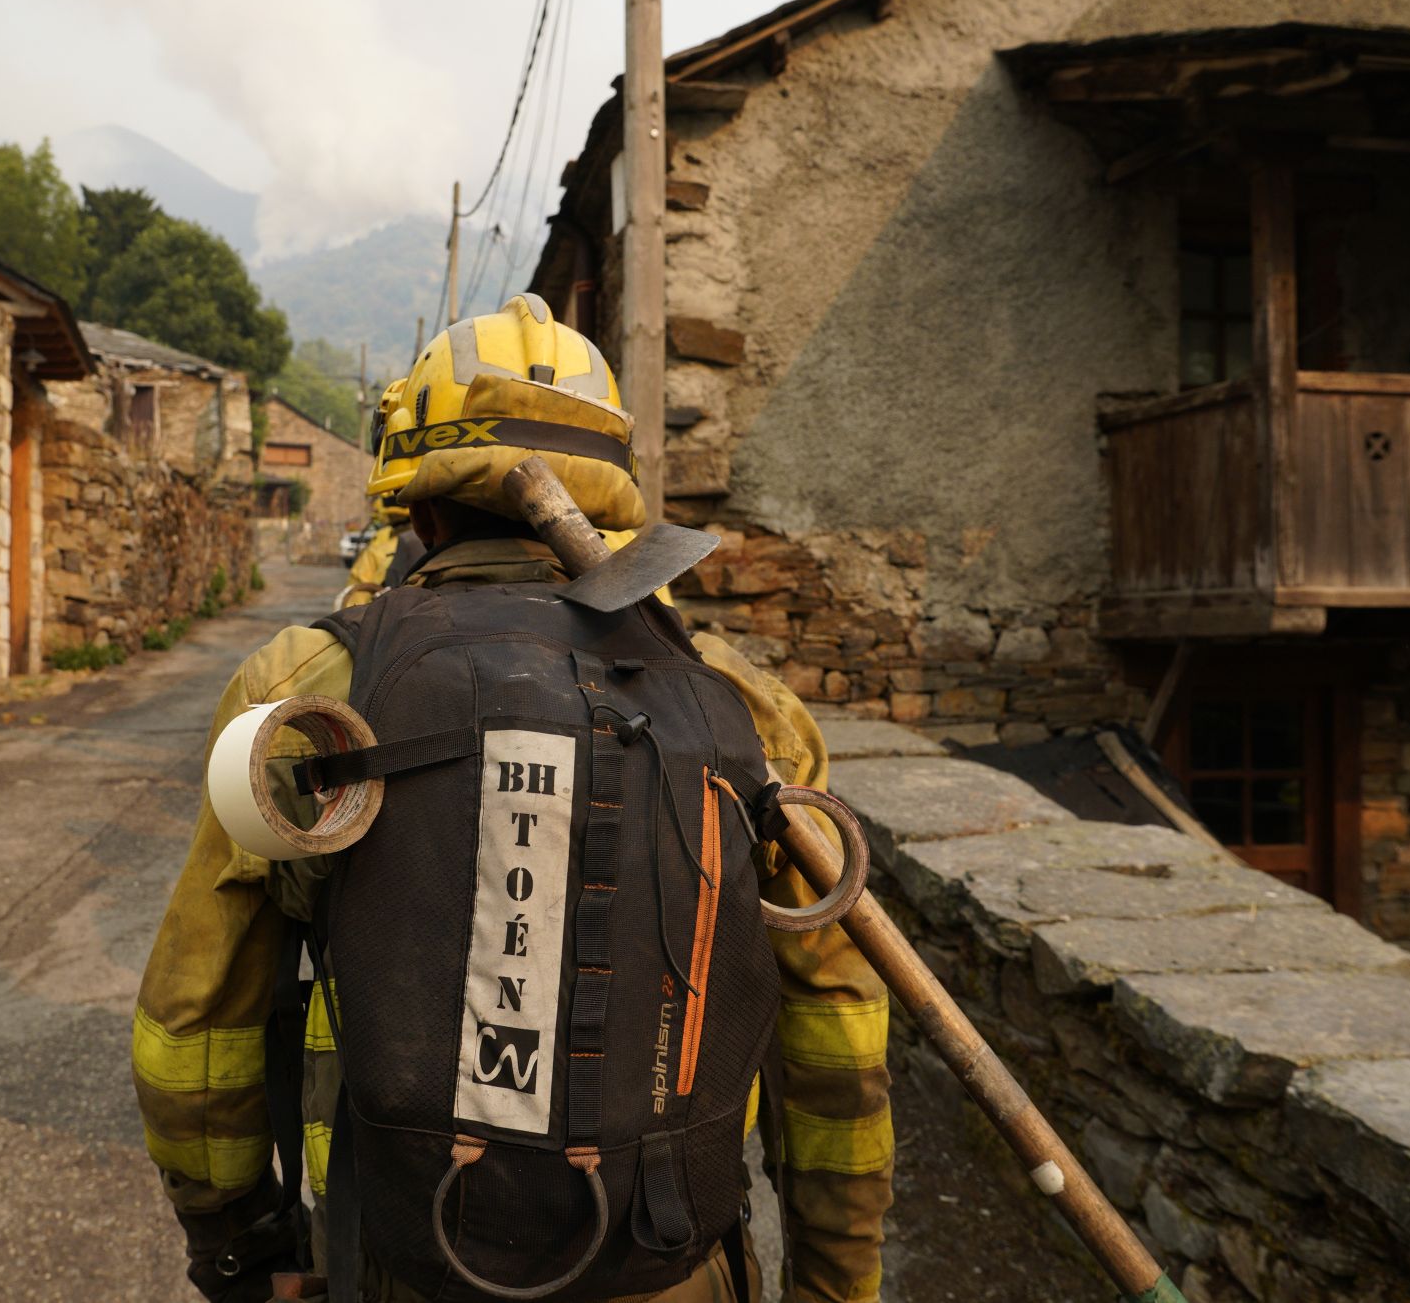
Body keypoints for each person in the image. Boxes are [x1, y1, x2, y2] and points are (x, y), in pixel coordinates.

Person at [133, 295, 892, 1303]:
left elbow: (195, 1018)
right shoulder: (746, 711)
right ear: (611, 501)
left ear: (423, 509)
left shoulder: (308, 686)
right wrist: (837, 1286)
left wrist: (235, 1247)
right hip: (676, 1271)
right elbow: (838, 1026)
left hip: (408, 1265)